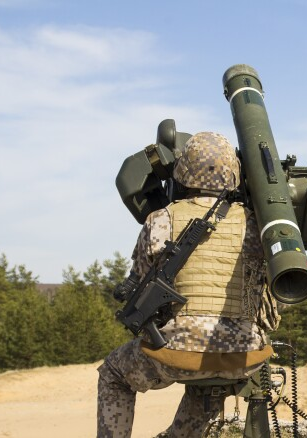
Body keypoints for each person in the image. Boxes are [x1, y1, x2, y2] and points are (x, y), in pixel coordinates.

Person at [97, 131, 279, 438]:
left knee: (113, 373)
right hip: (245, 357)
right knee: (208, 381)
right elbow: (273, 297)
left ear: (183, 170)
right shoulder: (256, 223)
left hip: (178, 353)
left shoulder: (160, 219)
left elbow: (140, 283)